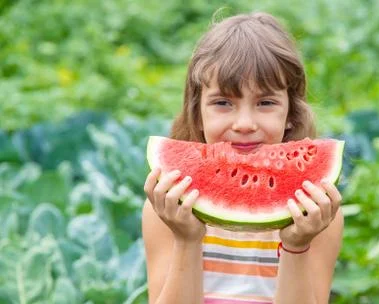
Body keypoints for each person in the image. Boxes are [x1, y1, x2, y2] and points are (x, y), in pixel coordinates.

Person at [142, 12, 344, 304]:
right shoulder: (167, 205)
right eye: (223, 103)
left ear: (291, 114)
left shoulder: (317, 211)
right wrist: (187, 239)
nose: (244, 123)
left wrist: (296, 245)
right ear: (197, 112)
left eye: (265, 103)